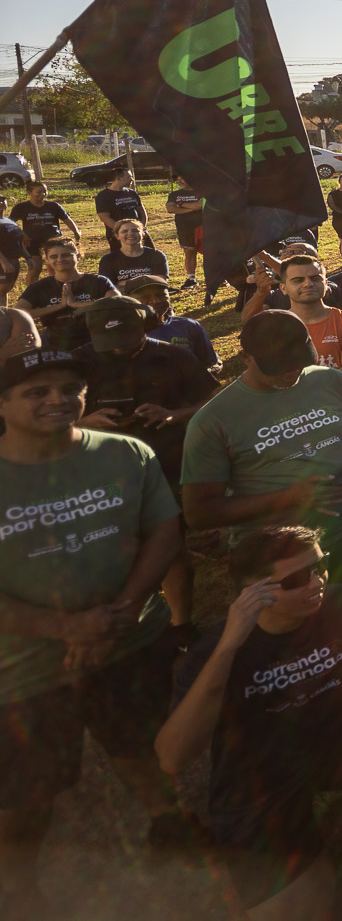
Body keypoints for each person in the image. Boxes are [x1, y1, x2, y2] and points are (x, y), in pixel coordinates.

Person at [157, 526, 342, 910]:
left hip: (336, 738)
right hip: (259, 777)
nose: (317, 582)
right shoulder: (215, 649)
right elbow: (173, 756)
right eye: (297, 579)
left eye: (321, 565)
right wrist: (228, 647)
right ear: (255, 594)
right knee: (311, 905)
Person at [0, 348, 191, 912]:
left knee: (140, 742)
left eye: (69, 387)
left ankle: (168, 822)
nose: (58, 399)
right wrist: (67, 627)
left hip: (127, 640)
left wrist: (121, 612)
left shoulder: (126, 453)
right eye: (36, 392)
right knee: (25, 794)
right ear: (1, 404)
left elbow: (163, 531)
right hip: (25, 670)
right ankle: (16, 885)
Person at [183, 310, 342, 585]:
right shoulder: (213, 420)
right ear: (246, 358)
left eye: (299, 362)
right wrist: (289, 498)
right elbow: (199, 513)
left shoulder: (331, 380)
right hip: (274, 557)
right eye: (277, 365)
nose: (291, 372)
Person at [78, 293, 213, 639]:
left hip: (165, 466)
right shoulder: (76, 365)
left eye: (127, 340)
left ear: (146, 325)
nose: (119, 350)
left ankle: (181, 626)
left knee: (170, 548)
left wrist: (174, 415)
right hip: (98, 470)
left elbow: (214, 400)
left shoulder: (175, 356)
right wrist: (84, 422)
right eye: (109, 343)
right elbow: (44, 422)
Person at [276, 253, 342, 372]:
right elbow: (274, 379)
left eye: (315, 279)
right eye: (298, 280)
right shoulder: (274, 326)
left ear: (325, 284)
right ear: (283, 288)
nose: (308, 284)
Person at [16, 238, 115, 350]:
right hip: (54, 341)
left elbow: (118, 304)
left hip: (95, 339)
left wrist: (76, 304)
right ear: (47, 260)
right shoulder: (38, 287)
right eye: (54, 256)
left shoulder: (99, 281)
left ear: (78, 256)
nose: (60, 259)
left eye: (66, 255)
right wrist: (60, 306)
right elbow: (18, 312)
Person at [9, 179, 79, 283]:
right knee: (35, 269)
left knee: (56, 268)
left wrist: (76, 232)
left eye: (45, 191)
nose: (43, 194)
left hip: (53, 242)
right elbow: (10, 223)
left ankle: (60, 290)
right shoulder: (21, 207)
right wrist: (22, 233)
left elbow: (67, 220)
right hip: (32, 242)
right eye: (39, 192)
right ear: (29, 193)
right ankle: (31, 293)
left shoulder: (53, 206)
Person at [98, 218, 169, 290]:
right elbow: (108, 288)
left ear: (143, 234)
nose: (130, 234)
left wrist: (123, 283)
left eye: (135, 231)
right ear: (117, 236)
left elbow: (160, 282)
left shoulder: (157, 255)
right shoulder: (108, 260)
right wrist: (146, 280)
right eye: (124, 231)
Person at [92, 166, 150, 252]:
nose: (132, 180)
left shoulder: (132, 193)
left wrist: (141, 228)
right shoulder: (103, 196)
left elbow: (142, 211)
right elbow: (104, 217)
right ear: (118, 179)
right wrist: (122, 231)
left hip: (138, 232)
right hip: (118, 235)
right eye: (129, 177)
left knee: (149, 255)